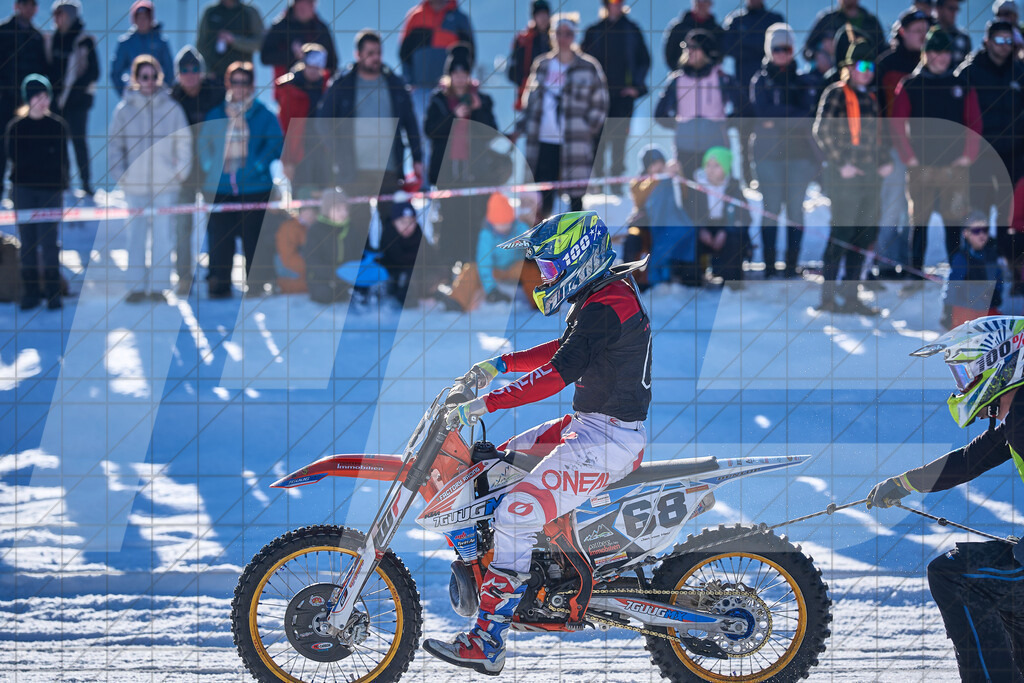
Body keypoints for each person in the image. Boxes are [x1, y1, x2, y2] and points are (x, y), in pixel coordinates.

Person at [422, 210, 651, 674]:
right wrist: (499, 366)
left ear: (577, 259)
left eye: (549, 267)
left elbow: (559, 373)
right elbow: (565, 350)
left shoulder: (610, 303)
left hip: (608, 440)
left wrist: (486, 404)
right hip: (588, 426)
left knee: (514, 512)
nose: (545, 277)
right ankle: (532, 569)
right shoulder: (602, 296)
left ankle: (488, 641)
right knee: (499, 465)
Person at [866, 314, 1024, 683]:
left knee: (955, 574)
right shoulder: (1016, 417)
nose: (962, 384)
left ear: (999, 363)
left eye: (966, 372)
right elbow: (969, 460)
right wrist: (904, 483)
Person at [304, 30, 423, 260]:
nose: (375, 57)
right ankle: (359, 280)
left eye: (378, 52)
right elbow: (322, 122)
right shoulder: (343, 84)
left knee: (394, 222)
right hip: (354, 169)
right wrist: (338, 152)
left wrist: (417, 158)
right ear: (357, 54)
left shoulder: (394, 83)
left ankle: (393, 273)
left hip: (389, 168)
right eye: (369, 53)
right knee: (357, 227)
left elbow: (411, 122)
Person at [891, 27, 982, 283]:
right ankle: (914, 273)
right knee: (919, 223)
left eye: (944, 53)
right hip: (921, 167)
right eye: (934, 52)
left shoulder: (960, 85)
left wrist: (968, 155)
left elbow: (974, 123)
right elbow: (897, 125)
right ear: (925, 54)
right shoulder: (910, 84)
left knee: (954, 223)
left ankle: (956, 275)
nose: (940, 58)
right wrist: (908, 157)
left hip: (955, 168)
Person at [813, 39, 893, 315]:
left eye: (871, 66)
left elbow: (877, 138)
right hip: (844, 176)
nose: (867, 71)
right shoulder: (836, 94)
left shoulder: (871, 98)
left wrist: (884, 162)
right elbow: (822, 131)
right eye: (861, 65)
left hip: (870, 178)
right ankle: (827, 297)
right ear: (849, 67)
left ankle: (851, 297)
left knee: (864, 236)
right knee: (842, 234)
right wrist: (843, 163)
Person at [109, 56, 191, 304]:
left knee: (163, 235)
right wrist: (123, 176)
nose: (149, 82)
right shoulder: (125, 109)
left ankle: (158, 286)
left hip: (165, 184)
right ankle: (135, 286)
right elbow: (114, 146)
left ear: (160, 78)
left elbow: (185, 143)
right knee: (135, 234)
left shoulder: (172, 108)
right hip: (135, 185)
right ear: (136, 78)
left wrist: (179, 172)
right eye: (143, 76)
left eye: (153, 76)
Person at [198, 61, 283, 299]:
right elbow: (204, 146)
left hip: (255, 186)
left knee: (253, 236)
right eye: (235, 82)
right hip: (220, 187)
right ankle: (219, 282)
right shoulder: (216, 114)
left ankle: (256, 283)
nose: (240, 87)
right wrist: (211, 167)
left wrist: (257, 165)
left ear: (252, 85)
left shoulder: (263, 114)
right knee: (220, 238)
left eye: (245, 82)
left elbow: (276, 144)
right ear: (228, 84)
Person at [957, 20, 1024, 293]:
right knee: (978, 215)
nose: (1004, 46)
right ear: (986, 41)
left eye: (1009, 41)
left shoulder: (1019, 71)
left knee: (1014, 217)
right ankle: (977, 275)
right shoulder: (970, 72)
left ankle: (1016, 272)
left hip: (1015, 153)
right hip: (980, 155)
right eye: (999, 40)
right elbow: (957, 113)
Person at [520, 14, 608, 219]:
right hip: (544, 140)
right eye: (558, 33)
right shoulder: (542, 65)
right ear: (552, 35)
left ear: (574, 36)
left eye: (568, 34)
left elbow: (600, 104)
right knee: (543, 195)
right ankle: (542, 244)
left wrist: (587, 130)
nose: (563, 38)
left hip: (575, 141)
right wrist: (523, 127)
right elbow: (530, 101)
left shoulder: (588, 67)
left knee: (576, 195)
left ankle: (574, 243)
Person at [749, 22, 814, 279]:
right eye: (776, 48)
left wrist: (777, 119)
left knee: (795, 210)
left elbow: (807, 115)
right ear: (769, 50)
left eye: (786, 48)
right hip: (767, 156)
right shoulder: (760, 80)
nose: (782, 53)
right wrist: (791, 117)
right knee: (771, 209)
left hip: (798, 156)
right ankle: (768, 265)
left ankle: (790, 266)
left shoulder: (802, 80)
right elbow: (762, 112)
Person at [424, 43, 497, 270]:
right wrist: (452, 116)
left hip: (475, 171)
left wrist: (478, 110)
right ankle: (446, 266)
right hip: (447, 170)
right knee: (449, 220)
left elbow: (492, 133)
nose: (459, 78)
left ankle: (470, 268)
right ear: (449, 75)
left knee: (472, 221)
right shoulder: (438, 100)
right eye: (455, 73)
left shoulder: (481, 100)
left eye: (463, 73)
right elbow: (430, 130)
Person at [875, 8, 931, 279]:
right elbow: (879, 109)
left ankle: (911, 262)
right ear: (902, 32)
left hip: (922, 149)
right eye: (917, 30)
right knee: (892, 205)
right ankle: (885, 262)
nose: (922, 35)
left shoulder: (931, 63)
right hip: (892, 146)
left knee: (916, 209)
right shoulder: (886, 63)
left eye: (926, 31)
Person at [4, 73, 68, 310]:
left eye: (45, 96)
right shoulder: (16, 127)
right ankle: (30, 291)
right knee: (28, 242)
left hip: (50, 190)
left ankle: (53, 291)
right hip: (24, 191)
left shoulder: (57, 126)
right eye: (37, 96)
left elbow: (61, 161)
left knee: (50, 242)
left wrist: (61, 184)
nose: (42, 101)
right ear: (28, 99)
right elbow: (15, 159)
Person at [170, 47, 224, 296]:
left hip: (212, 170)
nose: (190, 75)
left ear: (201, 72)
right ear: (178, 74)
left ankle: (216, 275)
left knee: (217, 224)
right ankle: (184, 276)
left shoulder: (216, 94)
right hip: (183, 174)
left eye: (194, 70)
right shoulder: (171, 98)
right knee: (182, 226)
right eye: (184, 70)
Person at [581, 0, 650, 195]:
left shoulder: (632, 30)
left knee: (619, 140)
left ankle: (617, 185)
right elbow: (582, 64)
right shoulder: (593, 31)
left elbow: (644, 60)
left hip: (623, 97)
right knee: (597, 141)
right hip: (596, 98)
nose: (616, 4)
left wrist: (636, 87)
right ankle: (598, 184)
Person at [654, 29, 738, 186]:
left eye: (695, 47)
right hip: (685, 149)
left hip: (715, 148)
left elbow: (745, 109)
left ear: (706, 51)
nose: (689, 51)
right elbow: (659, 114)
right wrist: (680, 125)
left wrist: (725, 124)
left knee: (718, 192)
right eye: (687, 47)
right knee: (688, 194)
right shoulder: (677, 80)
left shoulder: (722, 78)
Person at [626, 145, 699, 288]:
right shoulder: (638, 183)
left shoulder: (669, 178)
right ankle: (639, 279)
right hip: (645, 226)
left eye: (661, 163)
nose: (658, 167)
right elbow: (640, 199)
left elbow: (683, 196)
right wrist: (659, 178)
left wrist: (679, 174)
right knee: (635, 241)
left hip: (667, 222)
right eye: (653, 164)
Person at [45, 0, 96, 196]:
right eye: (55, 15)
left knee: (78, 141)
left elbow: (94, 71)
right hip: (56, 102)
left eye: (62, 14)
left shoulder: (84, 40)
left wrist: (74, 92)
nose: (57, 19)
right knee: (59, 141)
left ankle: (86, 183)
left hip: (78, 103)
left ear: (71, 15)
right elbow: (48, 68)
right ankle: (64, 182)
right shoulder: (53, 39)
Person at [399, 0, 474, 129]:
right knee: (421, 133)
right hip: (419, 89)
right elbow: (404, 53)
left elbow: (469, 54)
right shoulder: (415, 16)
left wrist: (461, 84)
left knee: (450, 133)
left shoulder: (460, 19)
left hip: (449, 92)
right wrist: (409, 81)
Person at [0, 0, 47, 199]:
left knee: (27, 146)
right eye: (25, 3)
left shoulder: (36, 37)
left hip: (28, 103)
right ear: (16, 6)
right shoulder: (3, 32)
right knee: (2, 146)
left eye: (33, 4)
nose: (29, 8)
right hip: (3, 100)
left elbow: (42, 70)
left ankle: (17, 192)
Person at [692, 146, 749, 287]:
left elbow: (744, 217)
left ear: (725, 167)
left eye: (716, 166)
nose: (711, 169)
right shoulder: (697, 187)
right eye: (708, 165)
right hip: (705, 228)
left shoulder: (734, 188)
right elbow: (691, 213)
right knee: (689, 236)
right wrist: (701, 230)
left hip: (725, 229)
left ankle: (731, 282)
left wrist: (725, 231)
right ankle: (693, 281)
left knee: (735, 239)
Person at [274, 42, 328, 180]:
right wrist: (287, 161)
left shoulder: (329, 87)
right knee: (303, 196)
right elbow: (284, 127)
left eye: (318, 67)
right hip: (299, 154)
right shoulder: (290, 89)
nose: (313, 70)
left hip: (324, 152)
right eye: (311, 65)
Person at [941, 212, 1003, 328]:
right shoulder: (961, 258)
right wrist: (947, 309)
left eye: (984, 230)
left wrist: (996, 294)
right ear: (966, 233)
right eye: (976, 231)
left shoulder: (991, 256)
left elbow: (998, 280)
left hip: (986, 309)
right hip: (965, 309)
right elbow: (953, 286)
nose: (981, 235)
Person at [261, 0, 337, 85]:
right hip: (288, 88)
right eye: (303, 4)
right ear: (295, 4)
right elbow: (265, 57)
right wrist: (293, 55)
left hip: (319, 89)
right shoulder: (280, 26)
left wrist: (317, 65)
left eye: (310, 3)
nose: (307, 7)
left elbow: (333, 63)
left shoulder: (321, 28)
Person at [377, 199, 436, 307]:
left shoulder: (418, 233)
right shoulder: (389, 235)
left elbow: (430, 255)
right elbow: (397, 259)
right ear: (394, 222)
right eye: (403, 222)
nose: (408, 226)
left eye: (411, 222)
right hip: (395, 276)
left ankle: (428, 295)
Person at [110, 0, 175, 96]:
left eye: (145, 18)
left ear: (151, 19)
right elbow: (116, 72)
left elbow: (169, 70)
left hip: (158, 95)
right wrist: (125, 93)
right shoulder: (126, 43)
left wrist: (163, 92)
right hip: (135, 95)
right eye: (139, 18)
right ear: (134, 20)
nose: (142, 21)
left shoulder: (161, 42)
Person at [196, 0, 264, 83]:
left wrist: (234, 40)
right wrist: (208, 71)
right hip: (214, 79)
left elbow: (260, 43)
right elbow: (200, 46)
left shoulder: (249, 12)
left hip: (241, 81)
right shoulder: (210, 12)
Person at [304, 187, 351, 304]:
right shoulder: (316, 230)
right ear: (327, 210)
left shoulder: (349, 228)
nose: (344, 213)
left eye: (345, 209)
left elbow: (355, 252)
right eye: (338, 209)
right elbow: (312, 259)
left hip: (344, 275)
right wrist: (333, 273)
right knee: (325, 295)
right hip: (321, 277)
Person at [803, 0, 887, 64]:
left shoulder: (871, 21)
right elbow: (807, 48)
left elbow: (882, 51)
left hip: (862, 73)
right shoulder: (827, 20)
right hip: (830, 72)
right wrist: (817, 56)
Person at [507, 0, 550, 113]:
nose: (543, 18)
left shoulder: (558, 39)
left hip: (554, 94)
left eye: (545, 14)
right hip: (529, 96)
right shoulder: (523, 40)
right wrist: (527, 82)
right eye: (539, 14)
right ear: (534, 17)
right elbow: (511, 72)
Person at [663, 0, 722, 72]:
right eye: (698, 1)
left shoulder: (717, 31)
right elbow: (670, 54)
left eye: (705, 1)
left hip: (710, 79)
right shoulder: (679, 28)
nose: (701, 4)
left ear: (711, 4)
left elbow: (720, 55)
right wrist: (679, 73)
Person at [935, 0, 972, 65]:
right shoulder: (924, 33)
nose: (954, 13)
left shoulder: (964, 38)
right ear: (938, 8)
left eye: (956, 9)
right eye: (951, 8)